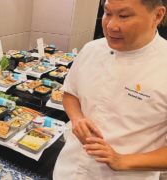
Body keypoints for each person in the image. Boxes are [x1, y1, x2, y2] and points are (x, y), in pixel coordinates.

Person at [53, 0, 167, 179]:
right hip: (69, 168)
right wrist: (77, 119)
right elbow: (70, 94)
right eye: (107, 13)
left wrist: (122, 161)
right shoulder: (91, 49)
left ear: (158, 15)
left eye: (124, 16)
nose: (111, 25)